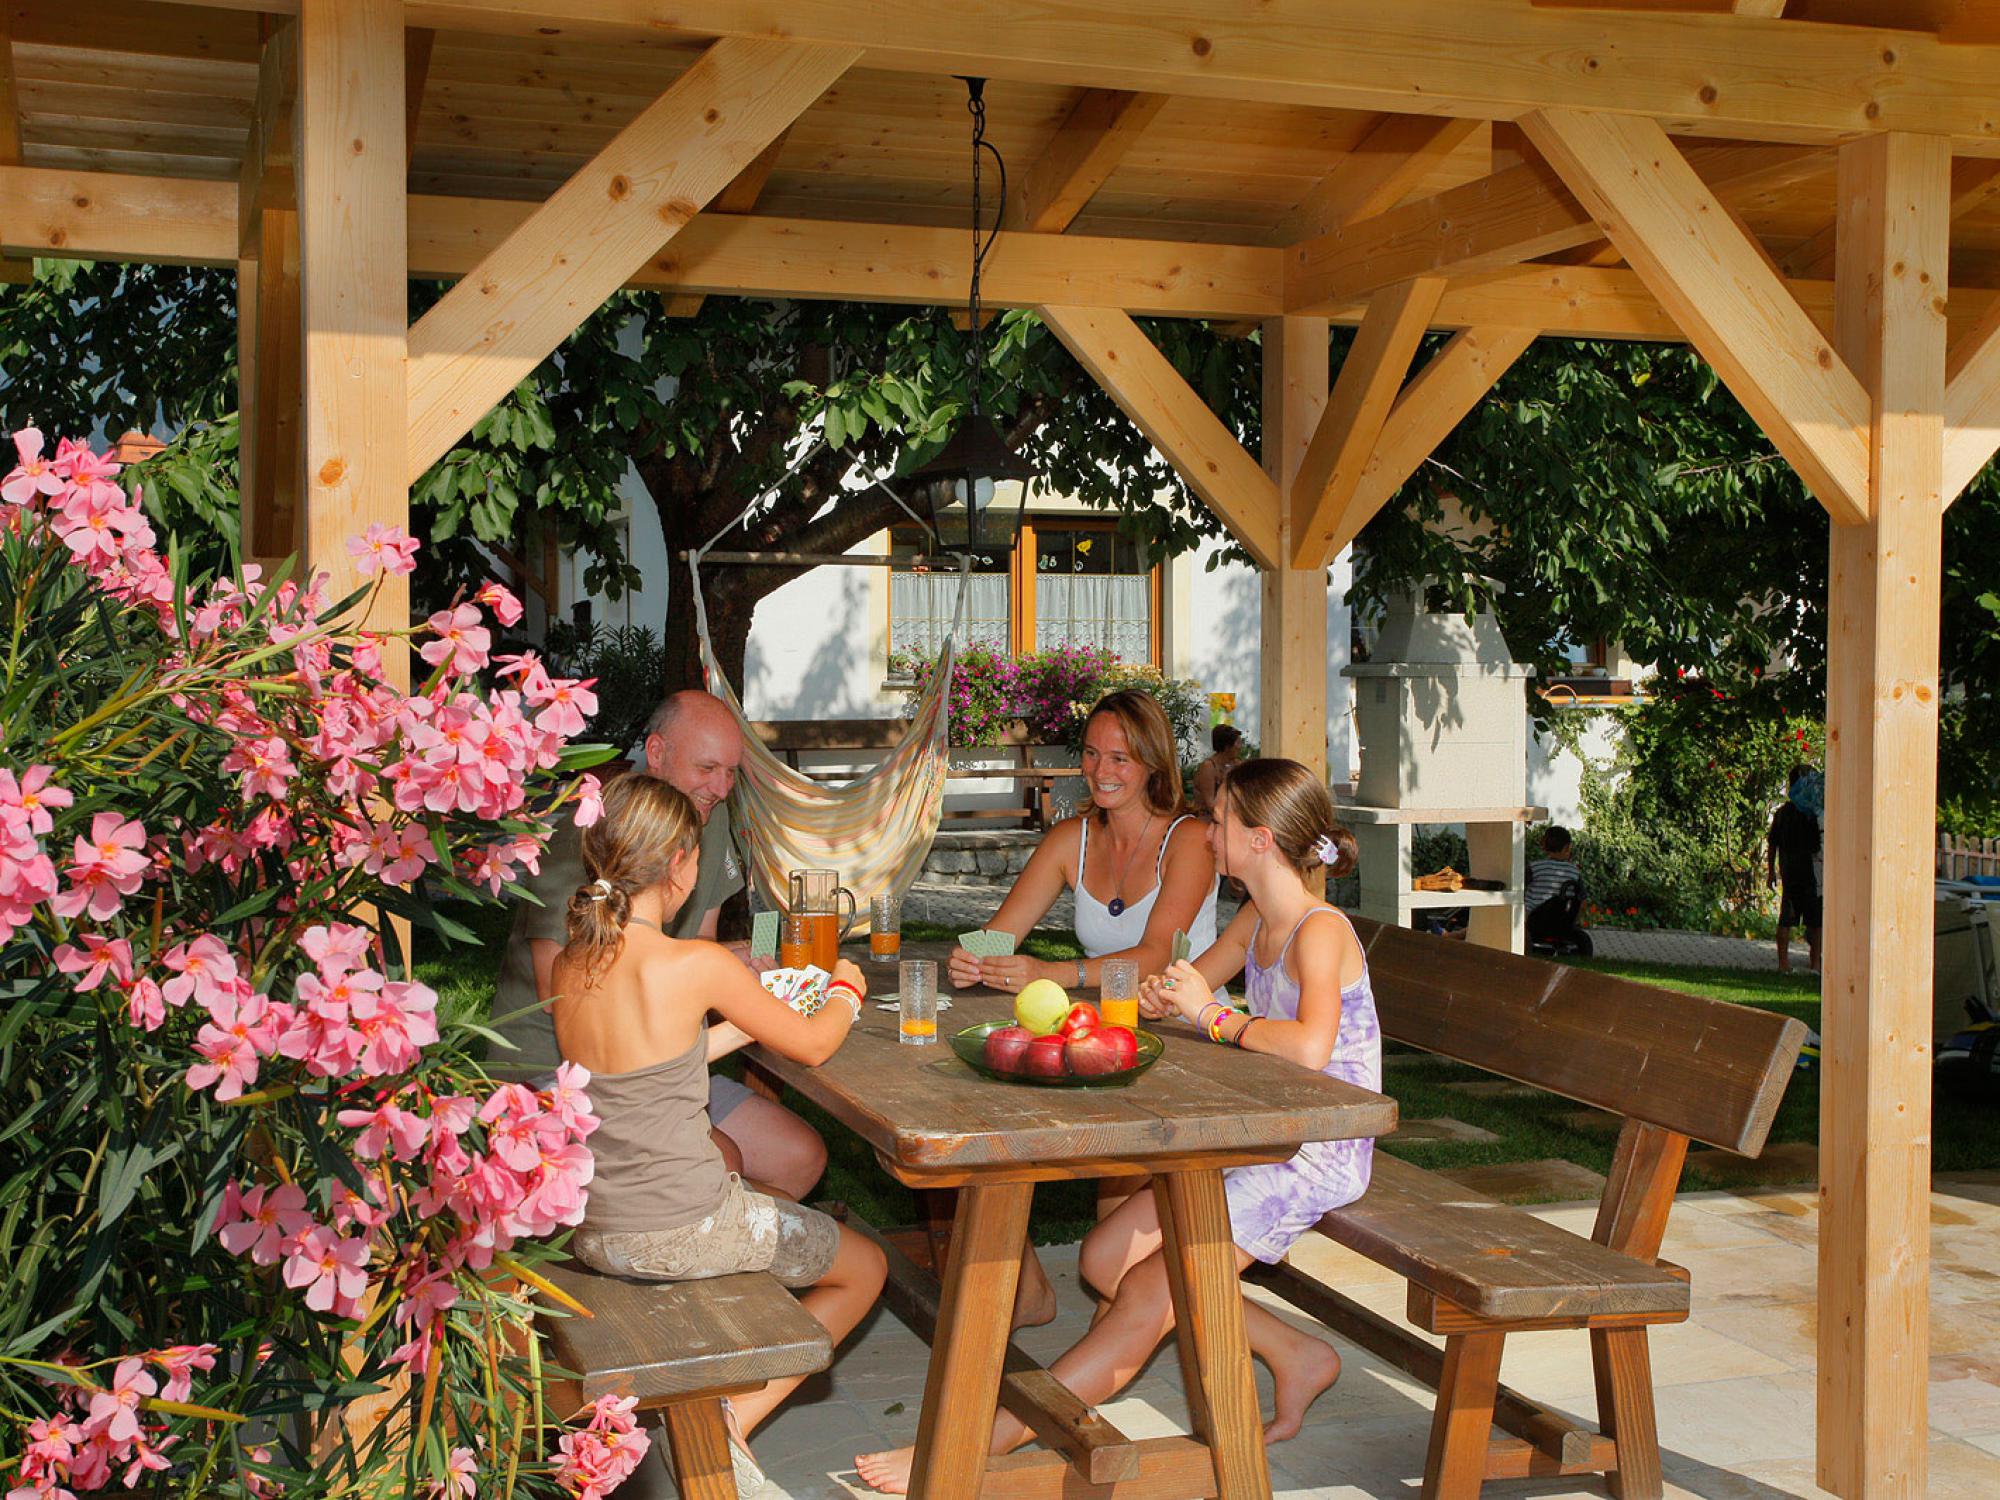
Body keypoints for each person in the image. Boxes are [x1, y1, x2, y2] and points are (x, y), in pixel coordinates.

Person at [853, 758, 1374, 1495]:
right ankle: (1298, 1353)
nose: (1209, 835)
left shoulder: (1317, 931)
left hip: (1317, 1146)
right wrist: (1167, 995)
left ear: (1260, 839)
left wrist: (1207, 1012)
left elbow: (1307, 1045)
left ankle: (971, 1446)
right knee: (1103, 1259)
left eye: (1220, 822)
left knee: (1150, 1293)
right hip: (1266, 1126)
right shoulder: (1255, 913)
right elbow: (1198, 980)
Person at [552, 775, 886, 1491]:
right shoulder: (694, 964)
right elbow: (816, 1045)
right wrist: (847, 988)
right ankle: (731, 1419)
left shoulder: (572, 962)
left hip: (598, 1228)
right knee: (866, 1268)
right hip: (684, 1227)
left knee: (755, 1191)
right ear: (678, 861)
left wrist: (736, 1027)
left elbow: (646, 1069)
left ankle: (714, 1413)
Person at [947, 689, 1219, 1328]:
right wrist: (972, 957)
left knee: (1116, 1174)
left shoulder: (1192, 839)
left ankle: (1108, 1315)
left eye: (1121, 758)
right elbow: (997, 933)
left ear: (1154, 764)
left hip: (1185, 1032)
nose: (1102, 771)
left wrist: (1054, 974)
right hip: (1099, 1033)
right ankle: (1033, 1291)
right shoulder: (1071, 839)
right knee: (973, 1112)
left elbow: (1154, 955)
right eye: (1093, 755)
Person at [491, 689, 829, 1199]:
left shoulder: (710, 830)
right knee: (721, 1161)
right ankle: (690, 1250)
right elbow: (556, 988)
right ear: (656, 753)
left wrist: (733, 966)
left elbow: (703, 946)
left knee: (799, 1156)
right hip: (555, 1071)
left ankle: (726, 1257)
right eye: (708, 767)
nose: (721, 787)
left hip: (669, 1063)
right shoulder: (590, 831)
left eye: (732, 772)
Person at [1768, 765, 1823, 973]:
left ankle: (1784, 964)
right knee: (1815, 921)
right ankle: (1815, 964)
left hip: (1789, 872)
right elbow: (1817, 846)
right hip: (1809, 874)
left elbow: (1772, 844)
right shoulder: (1811, 815)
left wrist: (1771, 871)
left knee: (1787, 918)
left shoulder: (1782, 813)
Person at [1524, 826, 1589, 954]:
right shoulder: (1574, 872)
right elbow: (1582, 899)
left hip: (1536, 919)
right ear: (1567, 848)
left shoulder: (1535, 867)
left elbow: (1520, 887)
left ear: (1544, 846)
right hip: (1563, 920)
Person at [1190, 723, 1244, 817]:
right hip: (1207, 819)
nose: (1240, 747)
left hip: (1227, 817)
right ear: (1227, 747)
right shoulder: (1208, 767)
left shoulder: (1237, 764)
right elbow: (1210, 804)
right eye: (1238, 743)